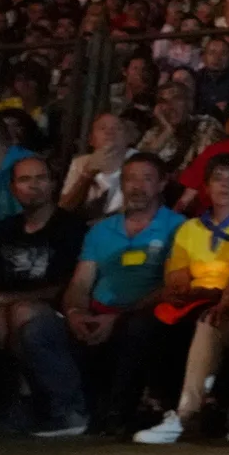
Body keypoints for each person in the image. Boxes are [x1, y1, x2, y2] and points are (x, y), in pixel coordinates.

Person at [35, 154, 187, 436]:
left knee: (138, 327)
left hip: (143, 315)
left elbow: (171, 286)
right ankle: (69, 411)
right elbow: (81, 282)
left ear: (162, 184)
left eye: (147, 178)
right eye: (130, 179)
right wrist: (76, 313)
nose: (137, 186)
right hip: (99, 311)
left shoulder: (179, 227)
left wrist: (116, 318)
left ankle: (117, 413)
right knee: (40, 328)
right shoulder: (102, 230)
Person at [131, 153, 229, 444]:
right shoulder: (190, 229)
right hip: (194, 298)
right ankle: (152, 405)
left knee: (206, 319)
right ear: (206, 186)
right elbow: (177, 278)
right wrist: (191, 290)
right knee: (143, 324)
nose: (225, 185)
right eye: (218, 178)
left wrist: (213, 294)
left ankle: (186, 412)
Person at [0, 157, 82, 433]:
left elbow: (65, 287)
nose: (33, 186)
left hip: (57, 314)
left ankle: (67, 408)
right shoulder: (4, 230)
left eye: (41, 178)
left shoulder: (71, 228)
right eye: (25, 180)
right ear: (12, 189)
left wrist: (3, 302)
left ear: (53, 184)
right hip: (8, 312)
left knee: (23, 315)